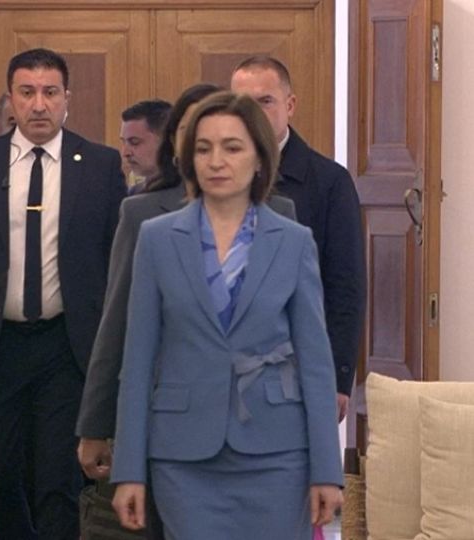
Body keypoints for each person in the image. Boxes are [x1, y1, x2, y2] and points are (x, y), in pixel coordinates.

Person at [111, 91, 343, 539]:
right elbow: (136, 363)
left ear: (259, 158)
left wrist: (327, 470)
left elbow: (316, 364)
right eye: (203, 149)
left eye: (232, 147)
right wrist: (129, 470)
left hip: (277, 455)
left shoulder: (293, 241)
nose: (216, 161)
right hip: (183, 457)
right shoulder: (157, 239)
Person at [77, 84, 296, 540]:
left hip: (259, 427)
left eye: (228, 142)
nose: (214, 155)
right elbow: (117, 329)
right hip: (173, 423)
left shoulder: (280, 214)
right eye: (198, 137)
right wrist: (96, 425)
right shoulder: (141, 215)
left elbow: (298, 332)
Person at [0, 48, 127, 540]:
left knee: (59, 481)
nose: (39, 105)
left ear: (66, 98)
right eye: (27, 92)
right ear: (11, 99)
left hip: (65, 346)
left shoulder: (99, 165)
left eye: (50, 92)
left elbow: (114, 260)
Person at [230, 55, 365, 422]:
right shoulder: (215, 175)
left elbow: (345, 285)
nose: (253, 114)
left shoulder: (329, 182)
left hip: (294, 367)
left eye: (265, 101)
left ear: (289, 105)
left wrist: (338, 377)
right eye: (242, 104)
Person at [119, 100, 171, 195]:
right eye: (123, 142)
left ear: (165, 141)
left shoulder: (192, 194)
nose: (125, 153)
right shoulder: (131, 195)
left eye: (134, 142)